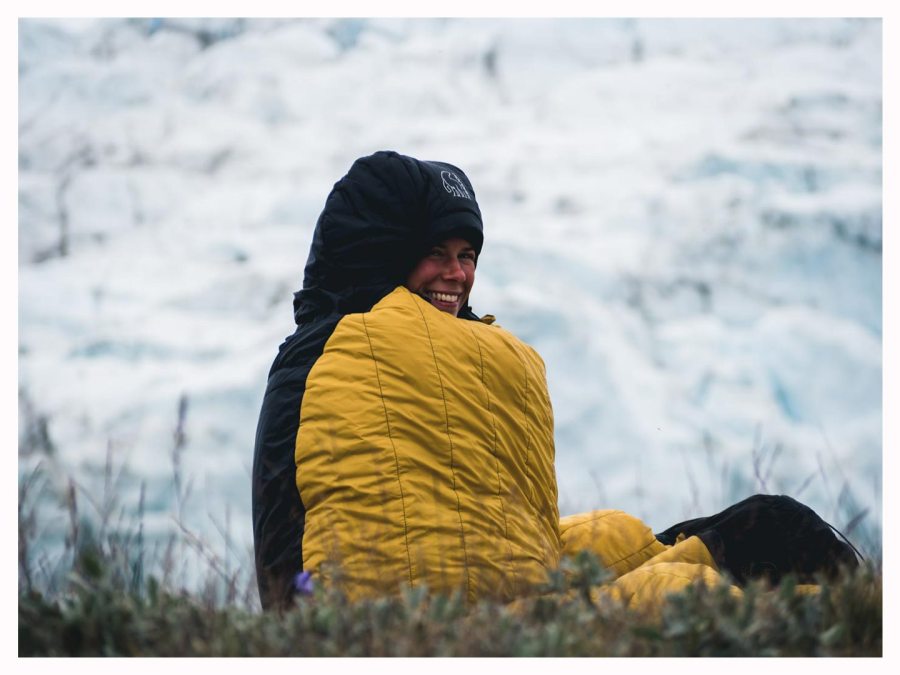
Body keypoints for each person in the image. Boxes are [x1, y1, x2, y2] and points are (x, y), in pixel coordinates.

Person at [252, 150, 860, 613]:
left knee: (759, 524)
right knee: (711, 590)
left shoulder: (472, 346)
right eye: (436, 250)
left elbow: (508, 527)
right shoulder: (324, 356)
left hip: (517, 591)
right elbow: (287, 552)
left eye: (468, 256)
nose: (457, 274)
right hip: (458, 628)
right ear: (380, 253)